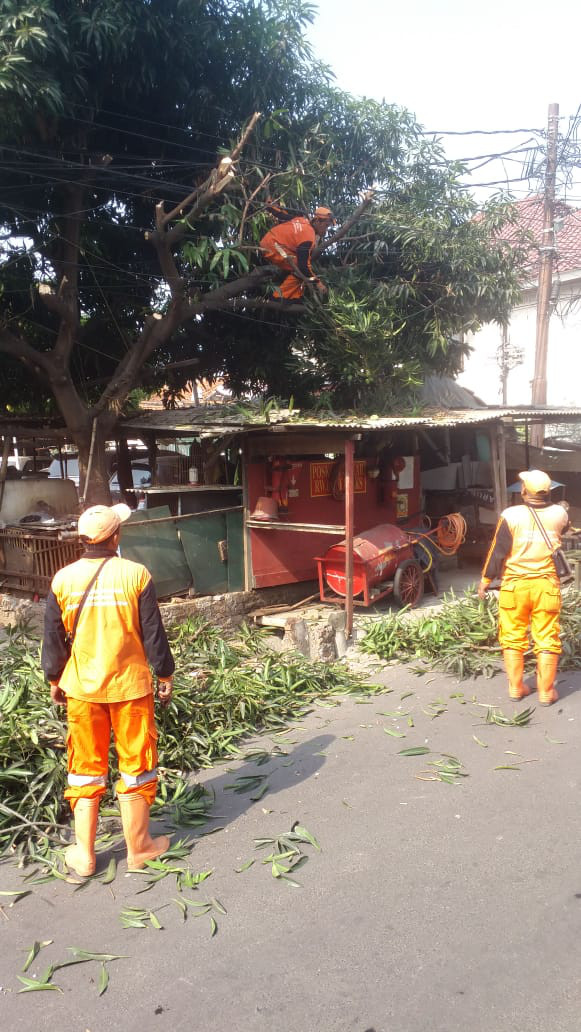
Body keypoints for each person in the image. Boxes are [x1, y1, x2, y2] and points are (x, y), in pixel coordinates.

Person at [41, 503, 175, 876]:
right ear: (116, 537)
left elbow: (52, 638)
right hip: (130, 688)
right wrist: (165, 674)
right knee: (137, 767)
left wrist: (55, 679)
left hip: (82, 690)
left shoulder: (63, 579)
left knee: (85, 768)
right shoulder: (136, 575)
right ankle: (140, 848)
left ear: (83, 539)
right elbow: (153, 634)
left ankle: (84, 855)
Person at [477, 469, 568, 706]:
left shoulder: (511, 515)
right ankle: (546, 692)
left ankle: (516, 687)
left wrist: (485, 581)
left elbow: (497, 551)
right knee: (547, 637)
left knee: (512, 636)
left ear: (524, 490)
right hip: (546, 586)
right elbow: (563, 531)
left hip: (514, 586)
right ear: (548, 491)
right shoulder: (560, 513)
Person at [259, 201, 335, 300]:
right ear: (317, 221)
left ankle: (286, 294)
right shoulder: (308, 237)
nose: (326, 230)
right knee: (301, 270)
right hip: (274, 248)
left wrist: (270, 206)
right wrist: (318, 283)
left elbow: (281, 215)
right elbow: (303, 266)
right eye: (326, 226)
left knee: (299, 263)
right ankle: (279, 297)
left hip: (268, 241)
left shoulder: (301, 220)